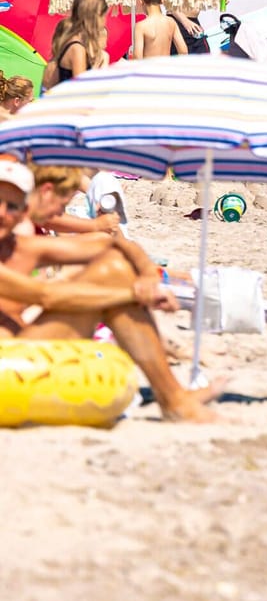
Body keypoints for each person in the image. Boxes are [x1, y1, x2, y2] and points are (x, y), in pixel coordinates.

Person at [0, 164, 216, 422]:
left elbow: (114, 244)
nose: (1, 213)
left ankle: (174, 398)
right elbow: (47, 296)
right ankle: (174, 399)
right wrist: (133, 295)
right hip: (10, 365)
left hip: (21, 352)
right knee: (107, 283)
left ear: (22, 212)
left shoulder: (22, 247)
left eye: (11, 207)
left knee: (112, 267)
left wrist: (148, 276)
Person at [46, 0, 108, 88]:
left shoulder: (71, 41)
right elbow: (80, 88)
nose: (105, 21)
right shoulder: (77, 48)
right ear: (94, 16)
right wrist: (95, 69)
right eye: (103, 16)